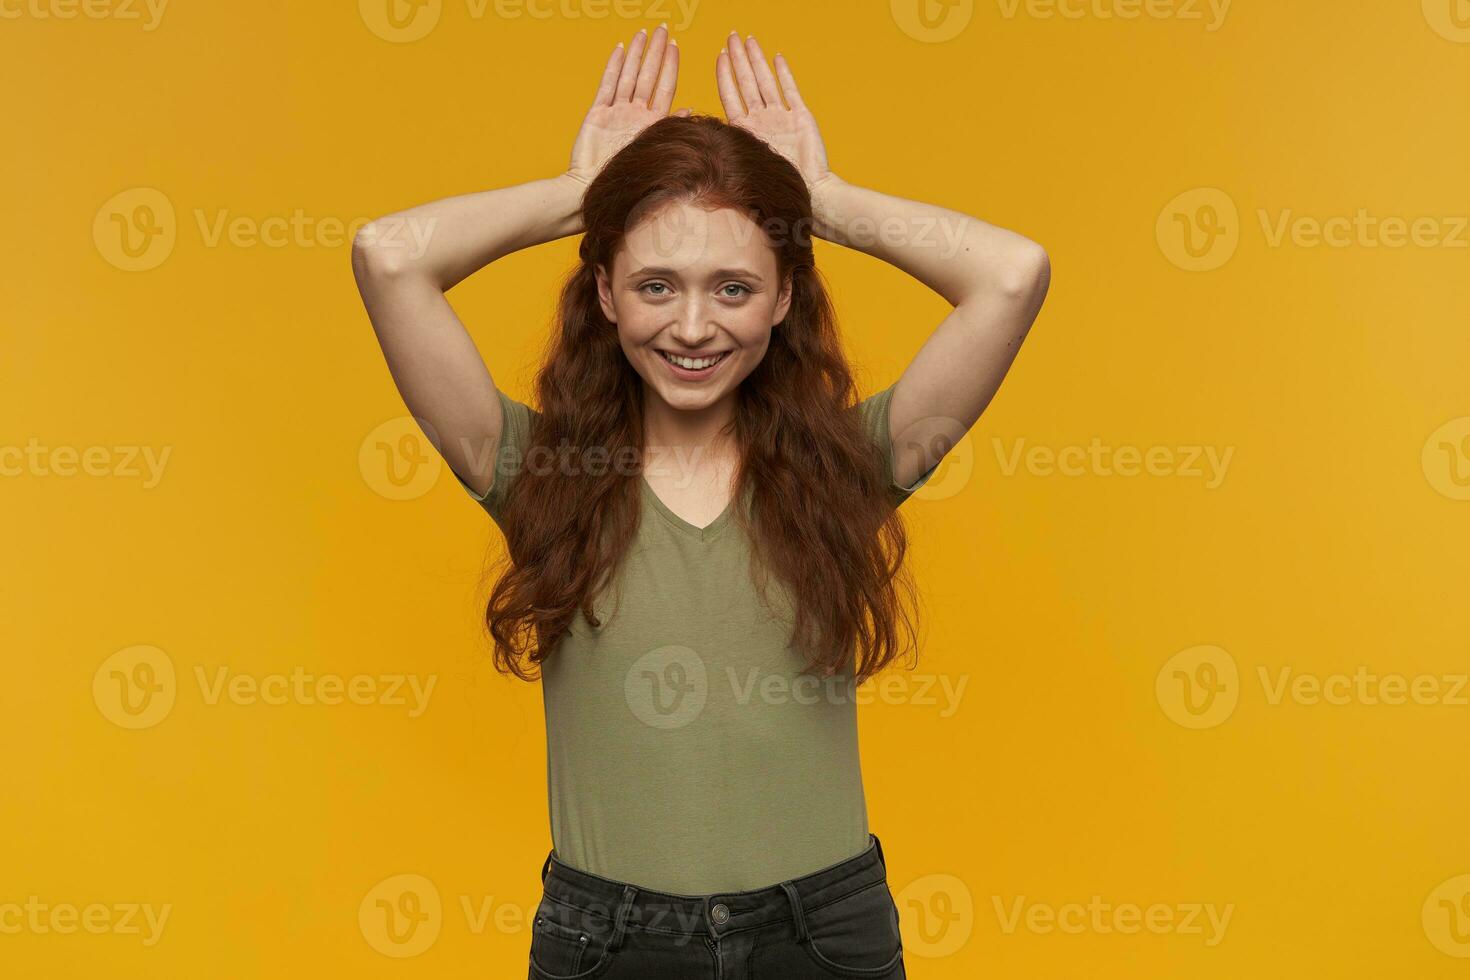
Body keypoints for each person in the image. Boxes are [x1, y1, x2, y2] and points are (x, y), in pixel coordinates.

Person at [351, 24, 1049, 979]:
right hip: (611, 942)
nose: (692, 326)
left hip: (823, 936)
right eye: (653, 284)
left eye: (732, 287)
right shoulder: (536, 473)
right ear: (602, 292)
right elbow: (388, 256)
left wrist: (822, 203)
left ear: (784, 300)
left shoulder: (850, 465)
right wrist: (581, 196)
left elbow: (1011, 276)